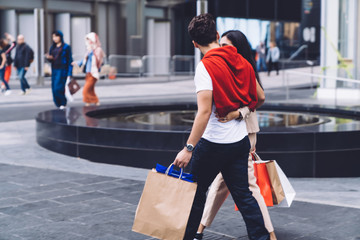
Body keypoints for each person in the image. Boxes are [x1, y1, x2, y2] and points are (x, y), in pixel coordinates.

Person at [173, 13, 269, 240]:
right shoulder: (242, 62)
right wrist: (241, 112)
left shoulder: (205, 66)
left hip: (213, 144)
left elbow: (205, 112)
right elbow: (259, 97)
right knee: (244, 196)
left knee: (195, 194)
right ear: (217, 35)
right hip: (239, 143)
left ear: (195, 44)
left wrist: (188, 148)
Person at [194, 30, 277, 240]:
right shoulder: (225, 66)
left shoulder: (241, 66)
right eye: (220, 45)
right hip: (231, 139)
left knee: (246, 190)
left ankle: (268, 235)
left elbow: (259, 98)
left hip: (242, 133)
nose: (221, 50)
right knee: (226, 189)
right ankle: (199, 229)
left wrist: (238, 113)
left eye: (226, 46)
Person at [73, 32, 104, 106]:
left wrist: (92, 50)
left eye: (89, 39)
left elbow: (99, 61)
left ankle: (89, 101)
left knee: (85, 90)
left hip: (93, 73)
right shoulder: (89, 50)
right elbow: (84, 60)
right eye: (87, 40)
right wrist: (77, 63)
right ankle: (95, 101)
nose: (88, 42)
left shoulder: (97, 50)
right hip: (88, 72)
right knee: (90, 89)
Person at [46, 30, 73, 109]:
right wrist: (49, 58)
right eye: (53, 37)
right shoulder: (52, 47)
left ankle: (63, 103)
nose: (54, 38)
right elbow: (52, 59)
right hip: (54, 69)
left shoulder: (66, 47)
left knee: (59, 87)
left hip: (62, 70)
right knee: (54, 88)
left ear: (60, 37)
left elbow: (70, 60)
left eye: (56, 36)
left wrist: (69, 73)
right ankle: (58, 104)